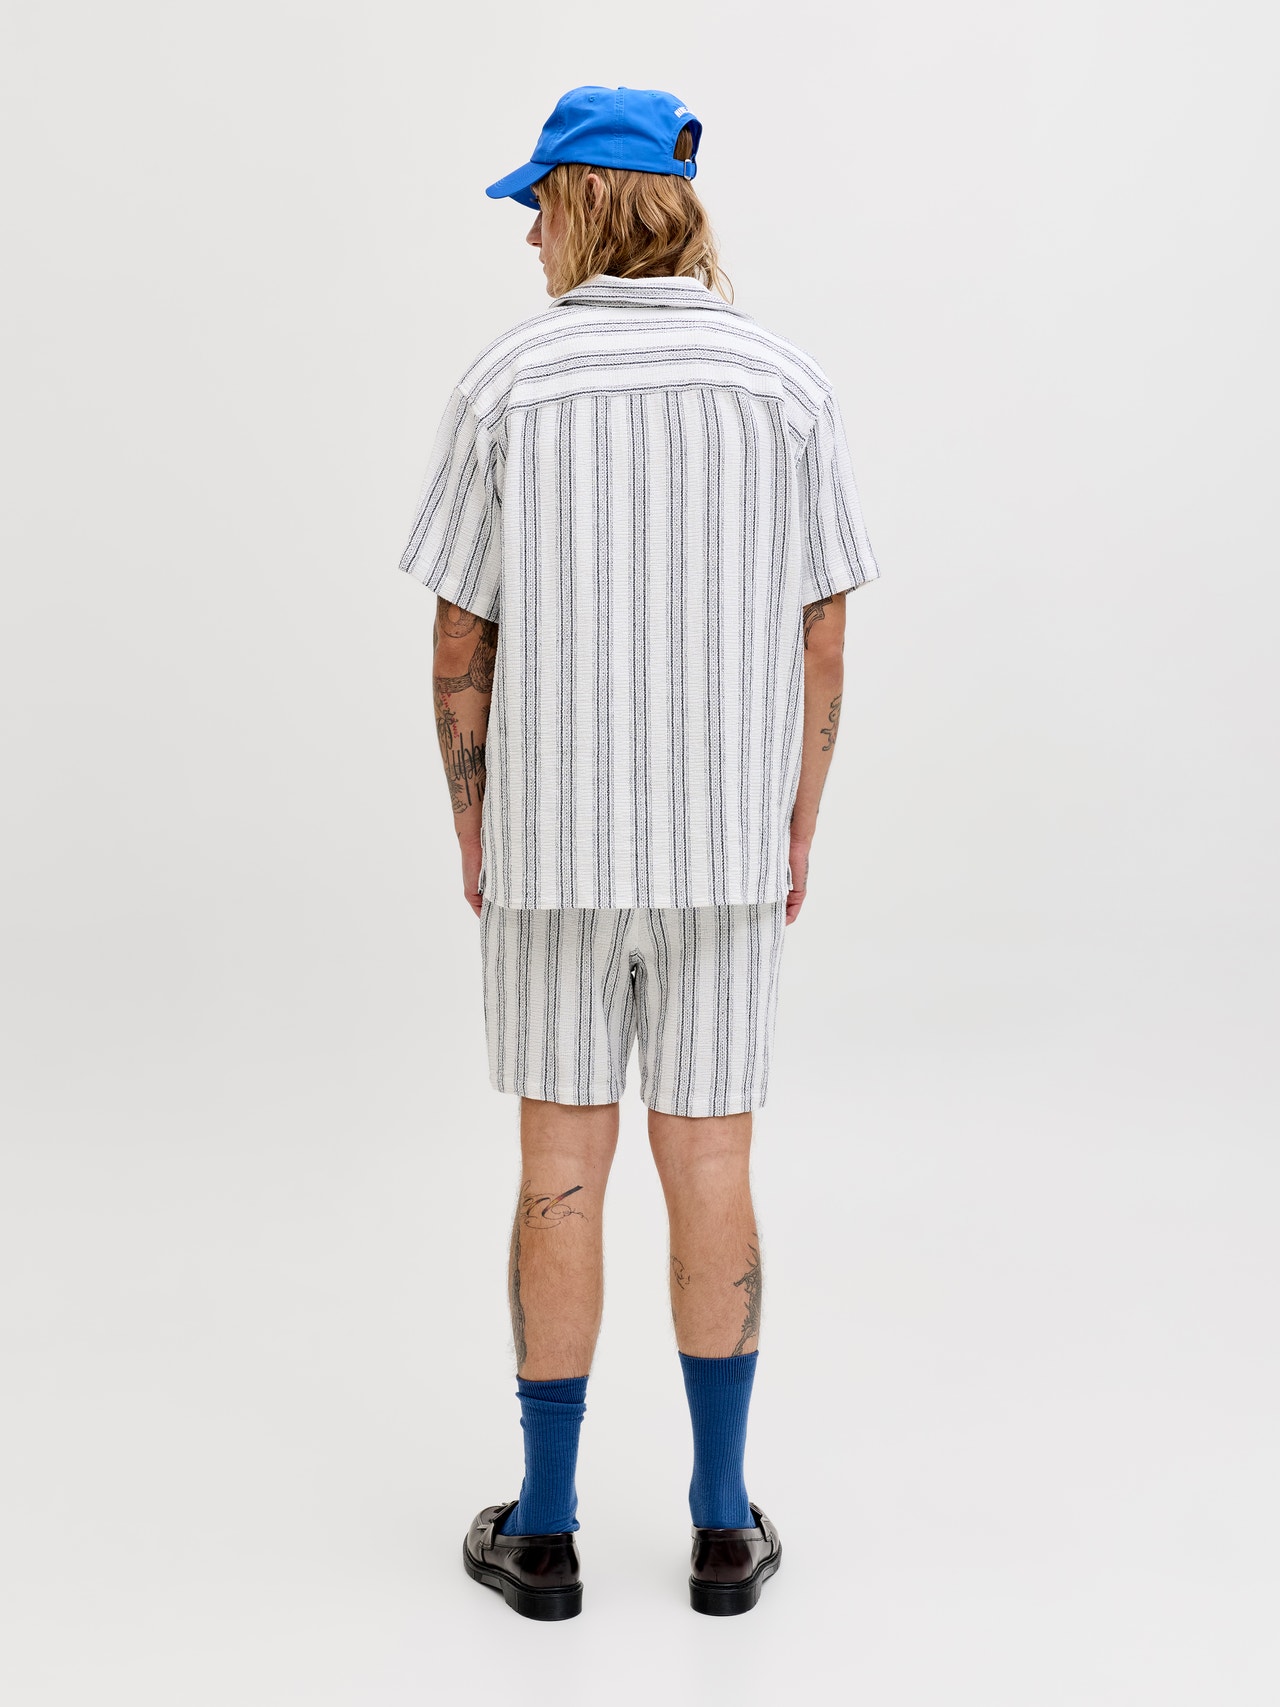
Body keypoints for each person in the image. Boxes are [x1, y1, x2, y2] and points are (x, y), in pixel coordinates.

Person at [397, 84, 881, 1620]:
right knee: (714, 1164)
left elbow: (458, 639)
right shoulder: (784, 386)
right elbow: (823, 635)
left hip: (552, 854)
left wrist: (475, 819)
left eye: (539, 203)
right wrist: (796, 817)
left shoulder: (507, 383)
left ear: (591, 201)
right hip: (724, 857)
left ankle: (544, 1532)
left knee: (559, 1168)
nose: (529, 234)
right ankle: (723, 1526)